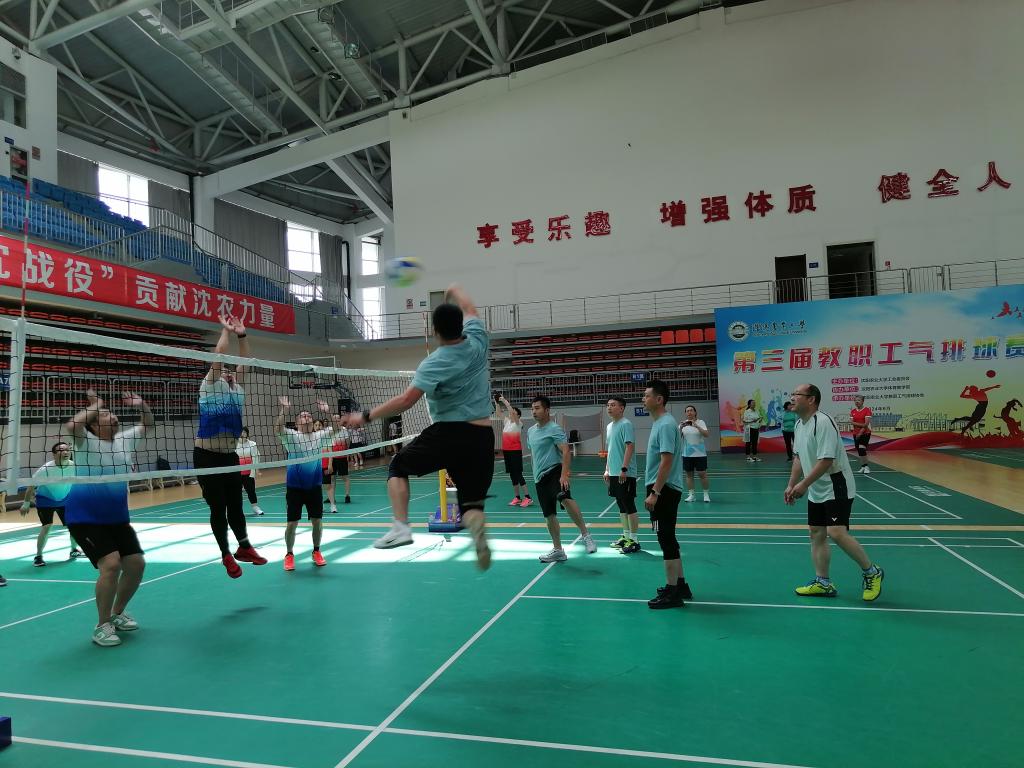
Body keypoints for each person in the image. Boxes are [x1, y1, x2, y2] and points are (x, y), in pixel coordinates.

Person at [343, 285, 494, 570]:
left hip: (450, 432)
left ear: (435, 332)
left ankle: (401, 527)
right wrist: (455, 291)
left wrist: (366, 416)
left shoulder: (434, 362)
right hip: (483, 437)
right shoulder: (478, 340)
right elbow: (471, 308)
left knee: (397, 467)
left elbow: (406, 400)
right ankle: (477, 529)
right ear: (461, 324)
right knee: (472, 505)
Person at [63, 388, 152, 647]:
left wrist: (141, 404)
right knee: (111, 565)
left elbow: (148, 424)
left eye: (112, 413)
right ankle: (102, 626)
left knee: (136, 564)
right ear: (93, 426)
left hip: (117, 518)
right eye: (105, 415)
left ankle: (117, 613)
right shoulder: (84, 443)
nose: (113, 416)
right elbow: (72, 426)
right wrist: (96, 404)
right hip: (85, 516)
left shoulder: (125, 440)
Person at [785, 383, 884, 601]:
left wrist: (804, 485)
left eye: (796, 394)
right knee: (816, 532)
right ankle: (823, 583)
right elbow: (798, 458)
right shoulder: (799, 425)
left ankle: (872, 572)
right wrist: (791, 484)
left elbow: (826, 460)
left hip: (836, 484)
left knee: (836, 532)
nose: (792, 398)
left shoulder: (823, 422)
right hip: (817, 487)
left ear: (811, 399)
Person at [195, 315, 266, 579]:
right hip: (207, 457)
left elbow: (245, 361)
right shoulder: (209, 386)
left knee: (236, 505)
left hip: (229, 456)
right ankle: (225, 553)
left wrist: (242, 335)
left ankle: (244, 546)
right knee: (219, 508)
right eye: (223, 370)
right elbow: (220, 355)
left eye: (229, 370)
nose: (227, 371)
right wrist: (226, 331)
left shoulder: (238, 391)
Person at [276, 399, 345, 570]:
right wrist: (284, 409)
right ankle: (289, 554)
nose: (306, 416)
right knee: (292, 523)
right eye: (302, 415)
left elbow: (337, 428)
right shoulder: (291, 436)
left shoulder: (319, 436)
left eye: (308, 415)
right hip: (294, 487)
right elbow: (278, 429)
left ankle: (316, 551)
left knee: (317, 522)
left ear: (312, 421)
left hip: (314, 486)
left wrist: (328, 411)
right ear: (297, 422)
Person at [528, 394, 596, 563]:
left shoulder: (554, 429)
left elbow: (565, 451)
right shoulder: (530, 431)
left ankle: (586, 535)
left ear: (547, 410)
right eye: (532, 409)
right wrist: (535, 475)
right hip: (539, 477)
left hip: (555, 471)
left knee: (564, 497)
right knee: (549, 515)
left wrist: (564, 474)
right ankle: (558, 550)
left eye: (537, 408)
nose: (534, 411)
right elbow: (534, 455)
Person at [643, 380, 692, 609]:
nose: (643, 399)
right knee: (668, 537)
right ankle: (680, 585)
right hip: (663, 488)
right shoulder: (661, 423)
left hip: (664, 490)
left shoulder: (664, 424)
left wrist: (655, 492)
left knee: (665, 538)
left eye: (647, 395)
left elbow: (666, 461)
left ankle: (673, 593)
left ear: (659, 399)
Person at [21, 441, 83, 565]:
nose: (65, 452)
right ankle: (38, 556)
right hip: (46, 499)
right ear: (54, 454)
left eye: (67, 450)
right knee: (47, 526)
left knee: (73, 526)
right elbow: (31, 486)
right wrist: (26, 503)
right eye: (61, 450)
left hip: (64, 499)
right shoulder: (46, 469)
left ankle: (74, 549)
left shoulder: (74, 466)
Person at [604, 396, 639, 552]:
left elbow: (629, 447)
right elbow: (610, 450)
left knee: (629, 504)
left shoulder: (626, 424)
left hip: (625, 472)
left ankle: (634, 540)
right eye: (608, 405)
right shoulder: (609, 426)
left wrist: (624, 469)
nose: (609, 408)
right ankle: (625, 537)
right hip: (613, 472)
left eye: (613, 405)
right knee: (620, 505)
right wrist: (607, 469)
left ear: (622, 408)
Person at [496, 394, 531, 507]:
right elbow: (499, 413)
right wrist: (497, 402)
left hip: (515, 451)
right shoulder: (507, 422)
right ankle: (517, 497)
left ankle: (528, 497)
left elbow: (510, 411)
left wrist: (504, 400)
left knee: (518, 474)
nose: (511, 413)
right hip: (507, 451)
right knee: (512, 475)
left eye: (514, 412)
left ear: (518, 416)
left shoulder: (518, 423)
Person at [680, 405, 711, 503]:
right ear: (685, 413)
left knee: (702, 474)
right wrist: (680, 428)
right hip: (687, 454)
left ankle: (706, 494)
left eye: (691, 410)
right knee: (689, 475)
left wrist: (696, 426)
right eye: (687, 411)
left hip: (700, 454)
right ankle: (691, 495)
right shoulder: (683, 424)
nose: (689, 412)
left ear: (695, 412)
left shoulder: (701, 422)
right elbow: (677, 437)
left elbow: (706, 434)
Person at [235, 428, 263, 516]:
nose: (242, 434)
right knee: (236, 492)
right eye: (241, 432)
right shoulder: (233, 444)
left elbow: (256, 457)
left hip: (248, 473)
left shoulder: (252, 444)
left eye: (244, 432)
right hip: (236, 473)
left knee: (251, 491)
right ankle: (237, 510)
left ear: (247, 434)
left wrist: (257, 470)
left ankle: (255, 507)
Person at [849, 395, 873, 474]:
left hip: (865, 433)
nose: (857, 402)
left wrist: (860, 431)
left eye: (859, 400)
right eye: (855, 400)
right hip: (855, 433)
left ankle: (867, 467)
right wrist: (858, 427)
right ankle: (863, 466)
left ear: (862, 401)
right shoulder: (853, 411)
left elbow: (866, 424)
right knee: (859, 450)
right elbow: (852, 423)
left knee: (862, 449)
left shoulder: (867, 410)